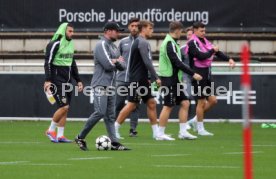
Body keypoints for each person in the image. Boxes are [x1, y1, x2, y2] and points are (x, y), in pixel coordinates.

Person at [75, 21, 130, 151]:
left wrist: (115, 62)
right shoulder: (101, 44)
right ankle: (80, 137)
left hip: (111, 85)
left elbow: (123, 66)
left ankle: (114, 143)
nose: (118, 34)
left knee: (110, 116)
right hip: (100, 84)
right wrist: (116, 61)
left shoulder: (114, 47)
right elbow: (107, 65)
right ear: (108, 31)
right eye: (117, 31)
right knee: (100, 112)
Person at [115, 20, 162, 140]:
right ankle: (114, 129)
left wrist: (149, 77)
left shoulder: (140, 41)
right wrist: (156, 77)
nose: (152, 31)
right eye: (150, 28)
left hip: (141, 79)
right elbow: (147, 62)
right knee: (131, 105)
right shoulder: (142, 42)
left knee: (151, 103)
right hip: (137, 79)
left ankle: (156, 133)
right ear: (144, 29)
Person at [186, 22, 235, 136]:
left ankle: (194, 121)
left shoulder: (205, 41)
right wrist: (213, 51)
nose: (204, 33)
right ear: (195, 31)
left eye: (204, 31)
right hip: (198, 74)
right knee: (201, 102)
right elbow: (200, 56)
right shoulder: (192, 42)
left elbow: (217, 52)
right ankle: (200, 129)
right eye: (201, 31)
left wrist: (229, 59)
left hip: (207, 73)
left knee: (213, 101)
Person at [158, 21, 202, 141]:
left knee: (185, 103)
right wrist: (193, 73)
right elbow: (177, 63)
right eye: (181, 31)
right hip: (169, 79)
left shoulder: (172, 43)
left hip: (174, 79)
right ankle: (160, 134)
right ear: (177, 30)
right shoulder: (169, 43)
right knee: (168, 106)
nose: (181, 33)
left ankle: (183, 132)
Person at [44, 23, 83, 143]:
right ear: (63, 31)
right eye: (70, 31)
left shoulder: (71, 44)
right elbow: (48, 62)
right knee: (63, 106)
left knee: (66, 109)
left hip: (67, 81)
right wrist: (48, 80)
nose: (72, 33)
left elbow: (72, 63)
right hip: (57, 80)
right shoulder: (54, 43)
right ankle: (50, 130)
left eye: (73, 31)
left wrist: (78, 80)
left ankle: (60, 135)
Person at [115, 18, 140, 138]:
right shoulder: (122, 42)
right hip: (121, 79)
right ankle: (113, 128)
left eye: (136, 25)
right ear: (129, 27)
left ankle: (133, 129)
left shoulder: (142, 42)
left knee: (134, 105)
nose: (134, 28)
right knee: (118, 104)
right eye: (132, 25)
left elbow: (146, 62)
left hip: (135, 79)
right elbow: (116, 58)